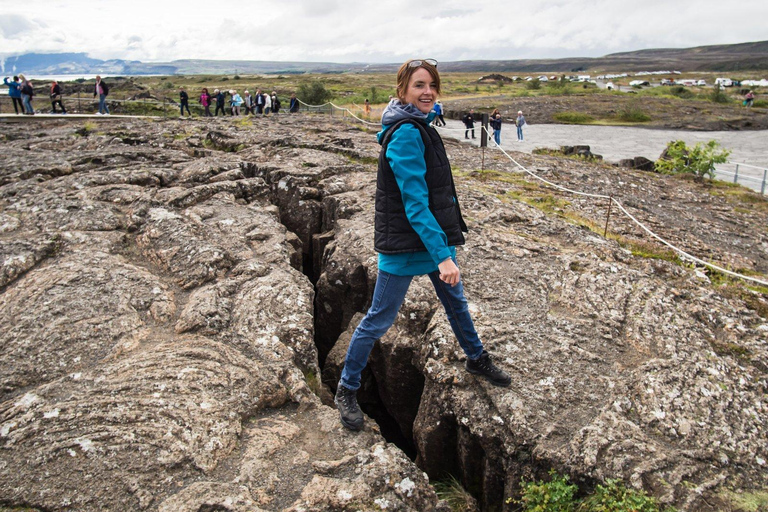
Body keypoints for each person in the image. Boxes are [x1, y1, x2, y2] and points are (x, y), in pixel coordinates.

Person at [334, 58, 512, 432]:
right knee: (378, 319)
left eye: (432, 84)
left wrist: (442, 248)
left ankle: (476, 357)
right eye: (418, 85)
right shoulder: (406, 133)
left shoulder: (420, 123)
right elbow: (415, 204)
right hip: (406, 245)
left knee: (456, 304)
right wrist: (444, 256)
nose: (427, 91)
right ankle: (347, 388)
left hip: (432, 240)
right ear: (403, 91)